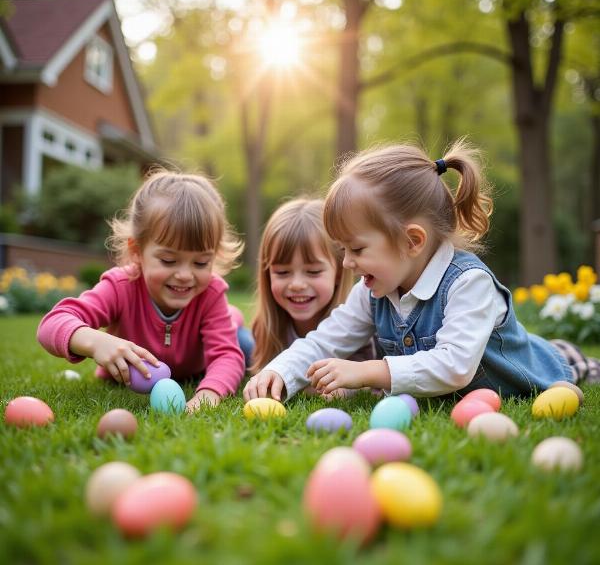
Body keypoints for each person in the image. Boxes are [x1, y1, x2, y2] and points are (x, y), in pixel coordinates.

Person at [243, 138, 599, 403]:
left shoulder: (468, 283)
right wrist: (281, 371)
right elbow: (325, 340)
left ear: (412, 241)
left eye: (357, 249)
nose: (347, 264)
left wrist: (367, 371)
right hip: (472, 399)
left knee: (570, 367)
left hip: (540, 368)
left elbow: (456, 365)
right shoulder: (373, 292)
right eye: (342, 250)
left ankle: (575, 362)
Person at [38, 170, 247, 411]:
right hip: (124, 380)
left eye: (200, 263)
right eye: (168, 260)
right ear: (137, 251)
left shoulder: (210, 293)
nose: (185, 275)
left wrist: (209, 393)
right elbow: (52, 324)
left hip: (194, 370)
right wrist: (95, 341)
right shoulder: (120, 287)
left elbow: (226, 357)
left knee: (243, 343)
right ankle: (232, 319)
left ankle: (233, 319)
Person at [250, 197, 376, 400]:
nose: (297, 284)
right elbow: (259, 367)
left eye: (313, 271)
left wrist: (342, 390)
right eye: (282, 272)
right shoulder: (266, 326)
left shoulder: (352, 326)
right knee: (242, 343)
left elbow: (363, 382)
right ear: (268, 274)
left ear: (337, 273)